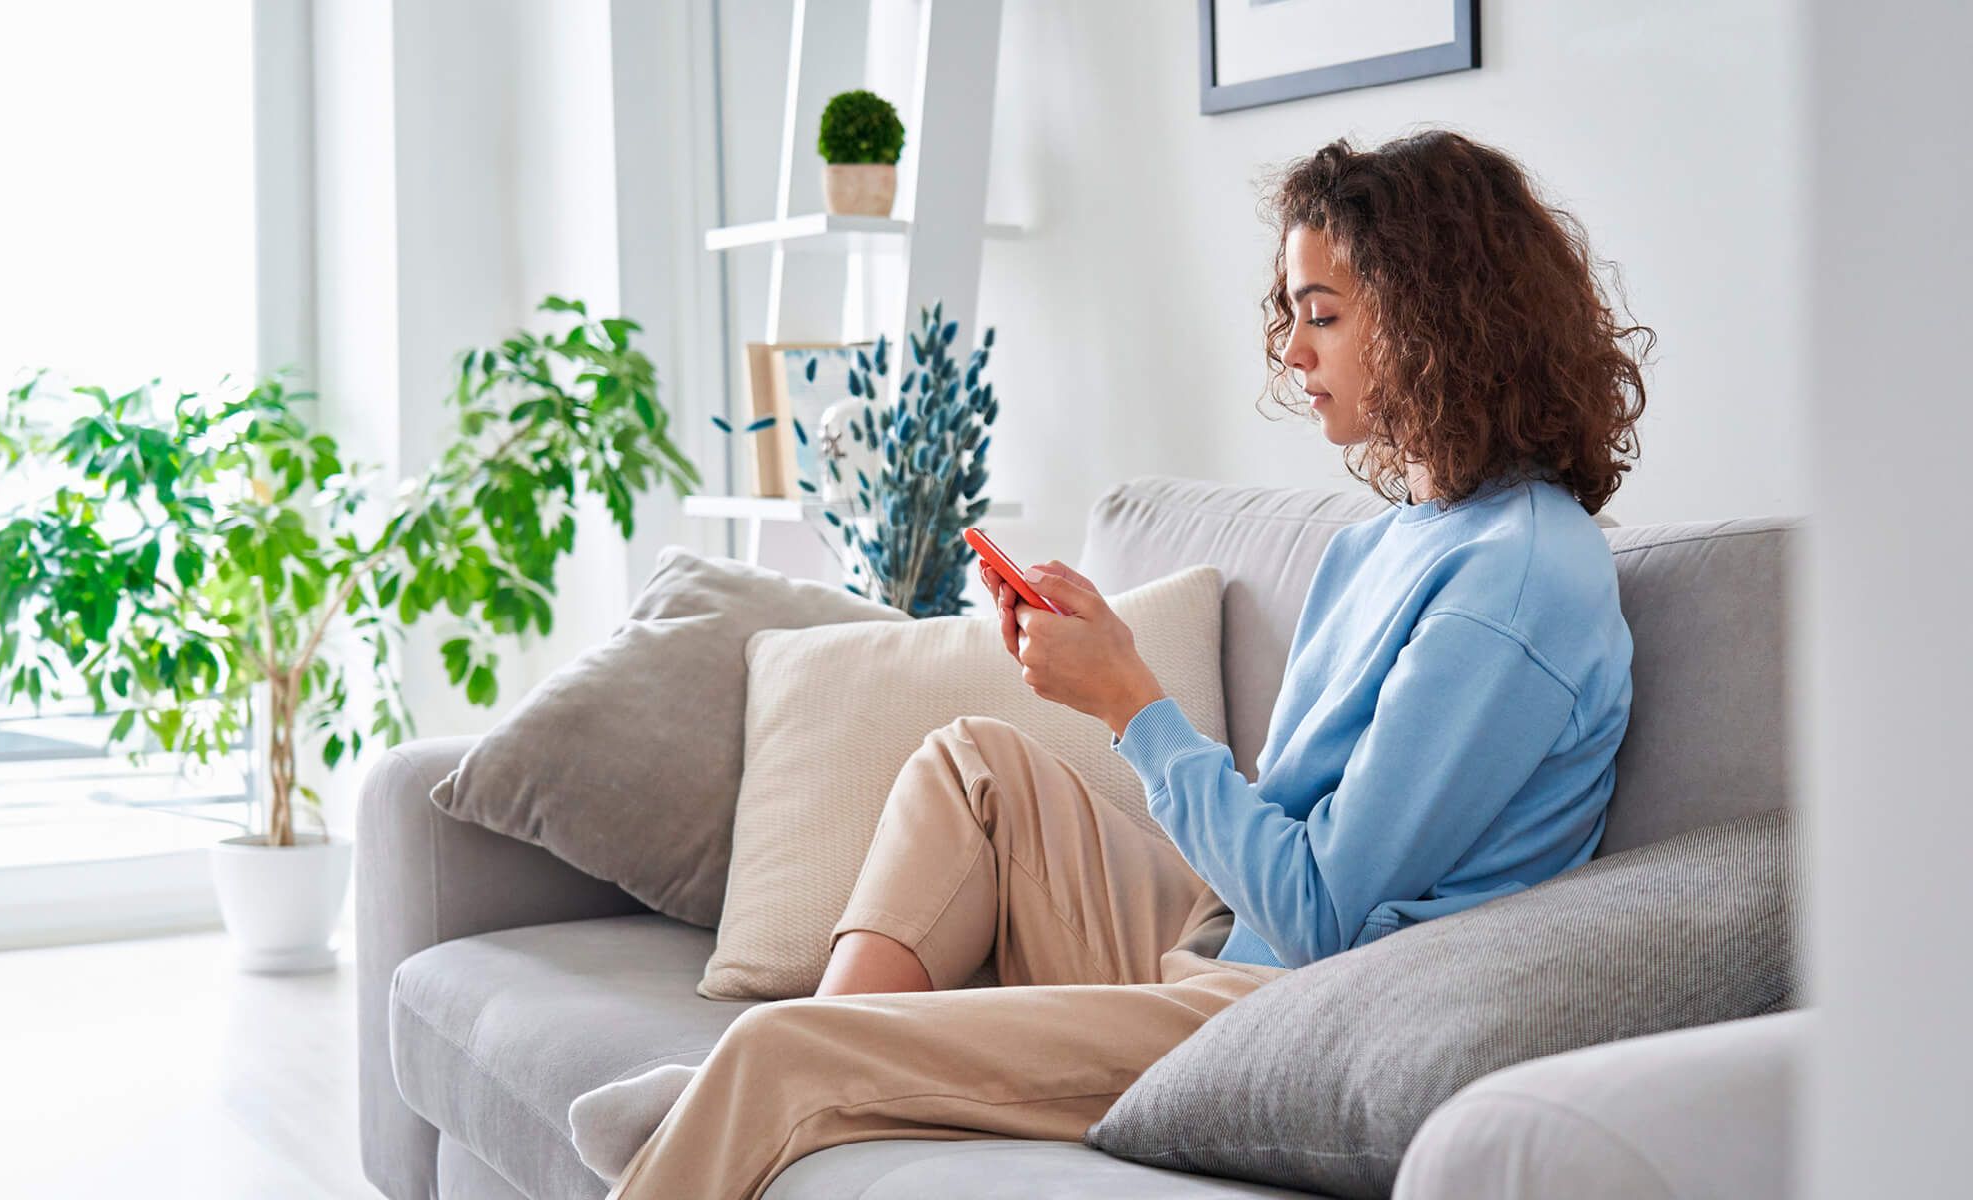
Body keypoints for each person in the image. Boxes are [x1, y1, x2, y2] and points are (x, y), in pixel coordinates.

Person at [581, 129, 1648, 1200]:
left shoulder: (1514, 588)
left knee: (782, 1056)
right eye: (1294, 315)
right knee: (973, 767)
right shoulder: (1383, 540)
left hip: (1300, 1010)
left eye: (1324, 315)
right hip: (1229, 935)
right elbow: (1281, 835)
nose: (1293, 353)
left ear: (1437, 323)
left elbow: (1323, 917)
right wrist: (1116, 672)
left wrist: (1133, 705)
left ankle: (756, 1082)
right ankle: (775, 1077)